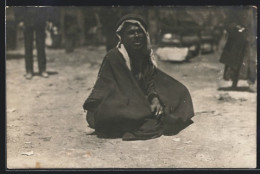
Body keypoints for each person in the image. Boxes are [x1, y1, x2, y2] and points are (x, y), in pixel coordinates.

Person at [83, 14, 194, 141]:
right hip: (118, 100)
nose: (136, 36)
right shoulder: (114, 57)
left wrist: (154, 98)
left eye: (139, 32)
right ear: (122, 37)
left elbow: (150, 80)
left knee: (179, 91)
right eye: (131, 33)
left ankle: (145, 112)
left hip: (139, 99)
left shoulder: (143, 55)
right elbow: (110, 89)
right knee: (136, 116)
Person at [219, 7, 257, 92]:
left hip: (252, 39)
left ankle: (251, 83)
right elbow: (228, 23)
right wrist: (237, 27)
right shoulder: (236, 8)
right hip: (238, 40)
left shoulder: (254, 9)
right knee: (236, 62)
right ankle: (234, 83)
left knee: (252, 61)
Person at [14, 7, 49, 79]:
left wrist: (48, 18)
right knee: (28, 46)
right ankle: (29, 70)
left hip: (40, 19)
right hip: (27, 19)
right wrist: (20, 19)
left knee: (41, 45)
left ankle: (42, 69)